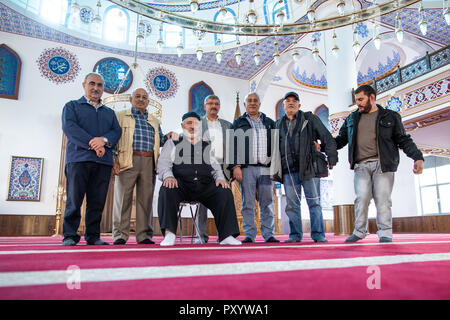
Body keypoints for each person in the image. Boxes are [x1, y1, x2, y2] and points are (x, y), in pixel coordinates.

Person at [335, 84, 424, 243]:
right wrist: (322, 147)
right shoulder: (352, 118)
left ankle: (385, 233)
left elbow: (403, 140)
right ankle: (360, 231)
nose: (358, 103)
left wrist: (417, 157)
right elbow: (341, 139)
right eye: (357, 100)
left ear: (372, 97)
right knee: (361, 199)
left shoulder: (390, 116)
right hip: (361, 165)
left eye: (361, 99)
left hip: (382, 164)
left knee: (382, 199)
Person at [157, 112, 241, 246]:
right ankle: (169, 234)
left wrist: (220, 178)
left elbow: (216, 167)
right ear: (182, 126)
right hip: (182, 185)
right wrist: (168, 176)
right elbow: (164, 163)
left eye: (195, 123)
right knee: (167, 189)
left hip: (205, 186)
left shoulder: (206, 145)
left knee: (224, 191)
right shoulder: (172, 142)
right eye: (188, 123)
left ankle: (226, 235)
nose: (192, 126)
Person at [61, 72, 122, 246]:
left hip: (102, 162)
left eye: (100, 85)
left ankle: (93, 236)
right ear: (84, 85)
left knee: (97, 201)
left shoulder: (109, 113)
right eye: (92, 84)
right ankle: (70, 235)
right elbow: (70, 127)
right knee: (74, 199)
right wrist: (93, 143)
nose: (96, 88)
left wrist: (103, 140)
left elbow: (116, 132)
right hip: (78, 159)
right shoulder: (72, 106)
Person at [271, 92, 338, 243]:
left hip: (309, 168)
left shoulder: (309, 119)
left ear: (299, 105)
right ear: (283, 106)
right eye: (288, 101)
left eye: (295, 101)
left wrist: (331, 157)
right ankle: (295, 235)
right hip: (289, 171)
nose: (291, 103)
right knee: (292, 205)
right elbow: (273, 149)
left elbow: (326, 137)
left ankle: (318, 235)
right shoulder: (277, 124)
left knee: (314, 202)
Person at [112, 88, 176, 245]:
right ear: (131, 99)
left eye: (144, 97)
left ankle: (144, 236)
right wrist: (114, 159)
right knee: (122, 199)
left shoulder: (154, 120)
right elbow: (113, 138)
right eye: (137, 96)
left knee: (146, 200)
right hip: (127, 160)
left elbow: (160, 140)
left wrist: (169, 136)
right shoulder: (120, 116)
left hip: (149, 162)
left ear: (148, 101)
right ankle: (120, 235)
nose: (141, 99)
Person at [230, 92, 279, 243]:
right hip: (247, 168)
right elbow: (232, 145)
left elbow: (276, 147)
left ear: (259, 104)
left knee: (267, 202)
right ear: (245, 105)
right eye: (249, 101)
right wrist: (235, 166)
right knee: (248, 203)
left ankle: (268, 234)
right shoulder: (238, 123)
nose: (252, 103)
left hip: (265, 168)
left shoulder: (270, 123)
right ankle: (250, 234)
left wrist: (275, 169)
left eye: (255, 101)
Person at [195, 94, 232, 243]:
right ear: (205, 106)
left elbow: (233, 148)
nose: (213, 106)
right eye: (210, 103)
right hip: (204, 167)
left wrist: (233, 167)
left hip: (224, 167)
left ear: (219, 106)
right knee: (202, 203)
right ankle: (201, 236)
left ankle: (223, 235)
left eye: (216, 103)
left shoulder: (228, 125)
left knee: (222, 202)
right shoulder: (197, 124)